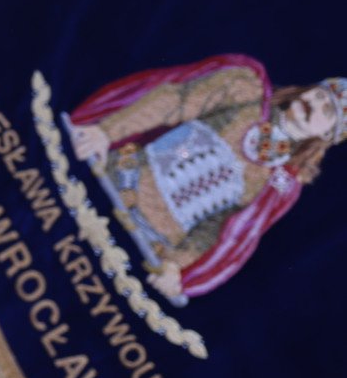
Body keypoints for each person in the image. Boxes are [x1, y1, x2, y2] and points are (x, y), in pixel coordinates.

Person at [67, 54, 346, 302]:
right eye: (320, 95)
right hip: (112, 180)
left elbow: (220, 230)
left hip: (143, 241)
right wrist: (106, 132)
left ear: (328, 136)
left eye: (327, 111)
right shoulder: (245, 91)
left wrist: (175, 267)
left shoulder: (280, 186)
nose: (313, 103)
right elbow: (172, 101)